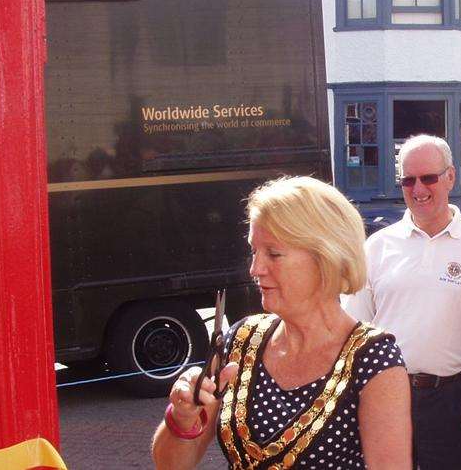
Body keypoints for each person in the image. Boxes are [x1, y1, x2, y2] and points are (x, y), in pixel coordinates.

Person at [152, 176, 411, 469]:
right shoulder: (241, 339)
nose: (255, 269)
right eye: (254, 251)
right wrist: (182, 418)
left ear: (325, 257)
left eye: (274, 254)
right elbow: (170, 465)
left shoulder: (373, 358)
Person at [343, 134, 461, 470]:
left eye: (428, 177)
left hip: (454, 400)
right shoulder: (376, 248)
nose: (418, 189)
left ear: (451, 177)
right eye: (408, 180)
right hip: (385, 396)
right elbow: (355, 334)